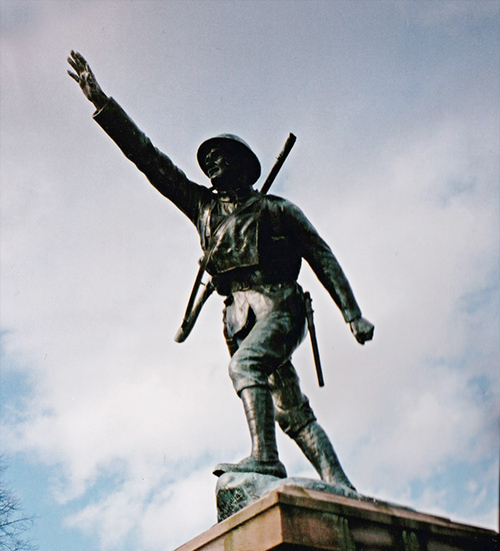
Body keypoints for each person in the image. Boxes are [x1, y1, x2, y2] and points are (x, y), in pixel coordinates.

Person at [68, 51, 374, 492]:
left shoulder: (277, 210)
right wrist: (103, 105)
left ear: (242, 165)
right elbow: (149, 159)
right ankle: (340, 484)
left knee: (245, 368)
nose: (210, 163)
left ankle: (265, 458)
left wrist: (352, 314)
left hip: (280, 304)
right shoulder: (203, 209)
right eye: (207, 159)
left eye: (219, 156)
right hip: (238, 317)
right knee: (291, 409)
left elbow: (321, 256)